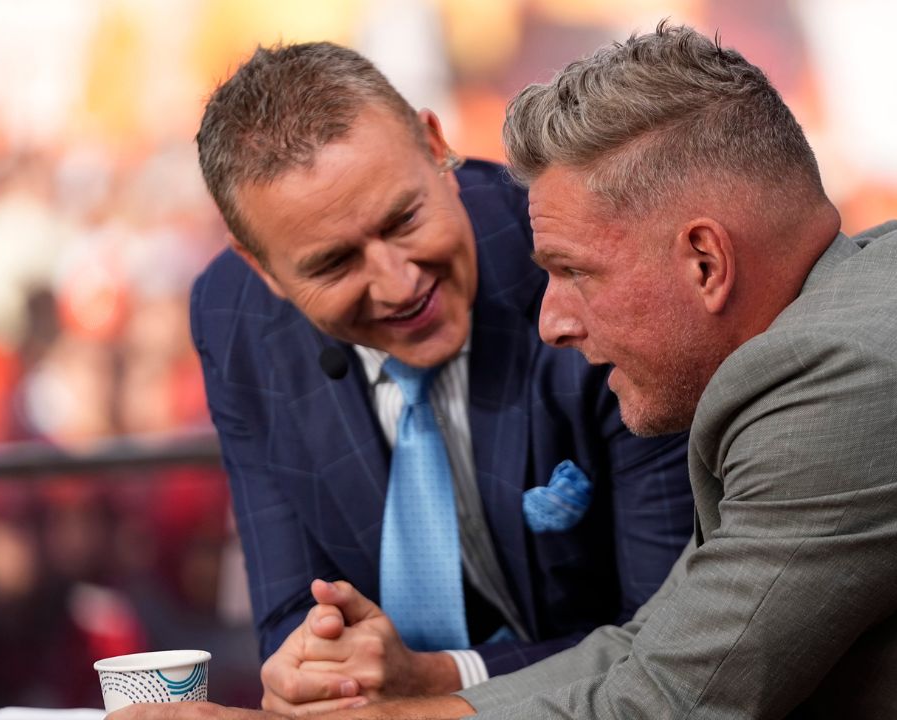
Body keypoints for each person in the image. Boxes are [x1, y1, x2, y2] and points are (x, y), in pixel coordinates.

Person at [119, 22, 897, 720]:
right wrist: (391, 684)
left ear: (702, 258)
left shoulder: (837, 379)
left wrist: (409, 712)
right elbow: (667, 655)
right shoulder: (849, 318)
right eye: (330, 260)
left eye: (568, 273)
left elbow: (672, 694)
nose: (548, 318)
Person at [187, 41, 694, 710]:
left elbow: (673, 642)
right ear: (261, 268)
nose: (399, 285)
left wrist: (441, 681)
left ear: (437, 148)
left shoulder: (587, 264)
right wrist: (314, 674)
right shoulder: (233, 317)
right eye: (334, 264)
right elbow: (291, 617)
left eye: (405, 220)